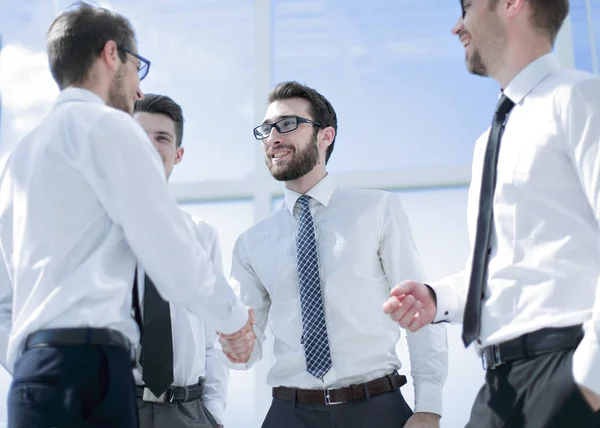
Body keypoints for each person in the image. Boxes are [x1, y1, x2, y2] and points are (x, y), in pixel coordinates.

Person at [0, 3, 254, 427]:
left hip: (30, 383)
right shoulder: (112, 130)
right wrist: (234, 321)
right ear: (111, 54)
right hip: (95, 371)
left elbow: (3, 303)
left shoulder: (17, 158)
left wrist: (32, 365)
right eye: (139, 68)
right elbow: (175, 260)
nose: (138, 90)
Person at [383, 1, 600, 427]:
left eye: (466, 8)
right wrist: (437, 298)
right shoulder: (490, 140)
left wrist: (588, 380)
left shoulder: (578, 98)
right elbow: (508, 266)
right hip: (501, 387)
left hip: (565, 369)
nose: (456, 27)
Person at [219, 81, 448, 428]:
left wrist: (429, 406)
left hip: (376, 409)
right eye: (266, 129)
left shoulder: (378, 209)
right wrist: (237, 347)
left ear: (326, 136)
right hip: (288, 413)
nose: (273, 137)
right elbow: (248, 348)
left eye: (287, 124)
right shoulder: (252, 243)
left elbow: (420, 311)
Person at [133, 94, 226, 428]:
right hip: (122, 408)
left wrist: (212, 412)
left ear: (178, 154)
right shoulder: (104, 232)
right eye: (139, 136)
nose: (150, 146)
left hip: (190, 412)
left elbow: (213, 339)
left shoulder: (202, 235)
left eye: (162, 138)